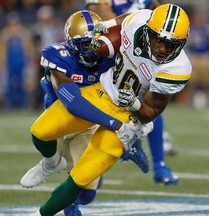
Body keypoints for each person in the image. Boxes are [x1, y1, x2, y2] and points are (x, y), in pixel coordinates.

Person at [29, 4, 191, 215]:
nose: (162, 48)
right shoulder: (139, 20)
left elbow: (151, 112)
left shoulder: (176, 68)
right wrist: (107, 24)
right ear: (148, 29)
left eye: (171, 45)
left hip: (128, 119)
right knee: (40, 131)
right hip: (102, 91)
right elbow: (125, 19)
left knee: (80, 178)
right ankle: (51, 163)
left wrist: (134, 104)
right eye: (158, 39)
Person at [20, 10, 151, 215]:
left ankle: (129, 150)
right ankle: (50, 163)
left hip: (89, 123)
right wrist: (114, 124)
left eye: (95, 44)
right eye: (85, 45)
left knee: (88, 194)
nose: (91, 51)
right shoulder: (58, 56)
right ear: (71, 43)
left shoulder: (110, 58)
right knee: (39, 134)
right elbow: (73, 103)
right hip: (63, 121)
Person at [86, 0, 180, 187]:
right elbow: (100, 14)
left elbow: (158, 13)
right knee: (93, 115)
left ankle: (159, 164)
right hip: (105, 53)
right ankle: (95, 171)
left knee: (150, 104)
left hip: (137, 53)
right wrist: (130, 22)